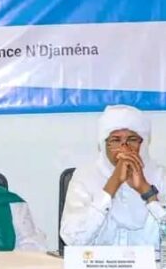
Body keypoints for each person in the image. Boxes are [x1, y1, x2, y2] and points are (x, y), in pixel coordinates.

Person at [61, 105, 166, 247]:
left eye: (132, 139)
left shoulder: (160, 176)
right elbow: (73, 240)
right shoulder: (85, 177)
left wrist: (146, 191)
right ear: (104, 144)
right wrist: (112, 184)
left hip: (152, 261)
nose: (125, 147)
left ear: (143, 143)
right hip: (98, 261)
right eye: (115, 140)